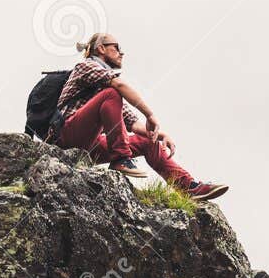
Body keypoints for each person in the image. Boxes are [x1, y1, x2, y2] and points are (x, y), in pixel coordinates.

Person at [46, 34, 229, 202]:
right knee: (113, 93)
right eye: (116, 47)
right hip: (66, 136)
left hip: (89, 144)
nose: (121, 53)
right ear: (101, 48)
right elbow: (119, 85)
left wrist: (159, 134)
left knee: (148, 141)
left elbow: (131, 122)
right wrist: (150, 114)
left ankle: (188, 187)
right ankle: (120, 159)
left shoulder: (106, 92)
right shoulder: (86, 66)